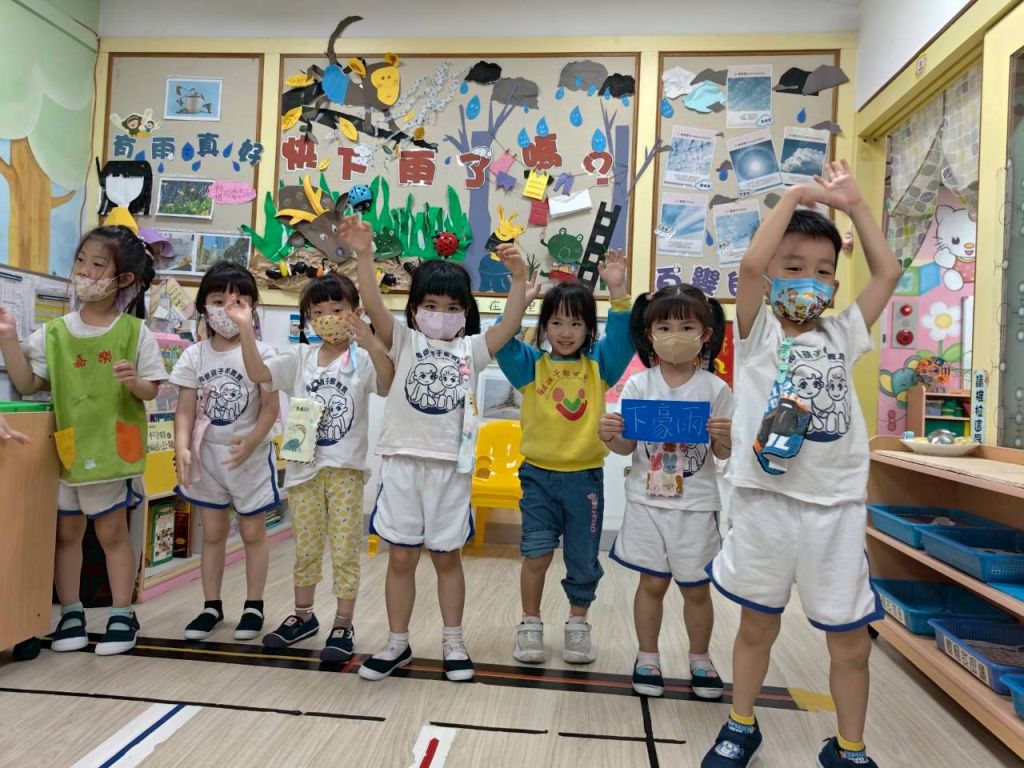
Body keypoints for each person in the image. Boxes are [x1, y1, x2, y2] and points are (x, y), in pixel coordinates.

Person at [702, 160, 900, 768]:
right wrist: (793, 194)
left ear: (835, 286)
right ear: (771, 278)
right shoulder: (757, 332)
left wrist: (856, 205)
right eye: (792, 267)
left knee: (850, 642)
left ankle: (849, 747)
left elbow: (888, 272)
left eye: (822, 270)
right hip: (763, 504)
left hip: (833, 510)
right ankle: (741, 725)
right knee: (757, 627)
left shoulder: (844, 333)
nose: (808, 280)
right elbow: (749, 267)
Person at [344, 213, 531, 683]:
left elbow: (510, 323)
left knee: (448, 558)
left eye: (452, 307)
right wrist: (364, 254)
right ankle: (397, 642)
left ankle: (453, 641)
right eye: (431, 304)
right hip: (402, 463)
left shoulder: (472, 349)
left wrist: (519, 279)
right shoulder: (403, 339)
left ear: (466, 312)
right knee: (401, 558)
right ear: (414, 310)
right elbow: (372, 302)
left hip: (451, 469)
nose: (440, 313)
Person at [0, 225, 163, 656]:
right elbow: (28, 382)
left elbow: (152, 389)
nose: (85, 271)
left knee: (111, 531)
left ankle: (122, 614)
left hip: (111, 449)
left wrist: (134, 381)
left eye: (97, 264)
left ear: (123, 279)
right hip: (67, 449)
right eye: (80, 261)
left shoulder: (134, 332)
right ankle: (70, 611)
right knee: (67, 532)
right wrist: (8, 337)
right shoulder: (55, 333)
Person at [227, 273, 393, 661]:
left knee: (345, 550)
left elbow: (386, 384)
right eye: (318, 312)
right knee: (306, 548)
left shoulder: (362, 360)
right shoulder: (299, 359)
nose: (328, 317)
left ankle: (343, 623)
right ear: (308, 319)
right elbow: (258, 374)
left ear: (355, 312)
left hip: (345, 471)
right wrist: (246, 328)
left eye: (337, 309)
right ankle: (303, 616)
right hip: (304, 471)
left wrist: (371, 342)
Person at [494, 253, 633, 665]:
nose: (566, 332)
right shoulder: (530, 366)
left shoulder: (599, 366)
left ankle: (577, 623)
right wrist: (518, 299)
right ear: (544, 326)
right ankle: (530, 623)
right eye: (556, 323)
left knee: (583, 559)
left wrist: (617, 288)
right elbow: (500, 340)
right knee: (535, 553)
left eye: (576, 323)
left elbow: (624, 336)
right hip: (538, 477)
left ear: (589, 328)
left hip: (584, 479)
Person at [601, 283, 732, 699]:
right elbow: (625, 446)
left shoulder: (716, 390)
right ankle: (647, 657)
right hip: (647, 502)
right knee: (652, 584)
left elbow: (723, 453)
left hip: (695, 505)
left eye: (687, 327)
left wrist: (726, 436)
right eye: (665, 327)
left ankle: (700, 659)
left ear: (705, 334)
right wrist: (609, 434)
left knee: (696, 588)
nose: (675, 335)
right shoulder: (639, 386)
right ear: (650, 334)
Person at [170, 262, 280, 643]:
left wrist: (252, 441)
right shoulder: (194, 355)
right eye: (219, 301)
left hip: (249, 457)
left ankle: (254, 605)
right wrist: (182, 445)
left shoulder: (264, 353)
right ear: (204, 305)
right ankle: (211, 606)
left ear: (253, 307)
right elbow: (184, 409)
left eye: (239, 302)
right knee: (213, 531)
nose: (228, 310)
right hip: (208, 457)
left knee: (252, 531)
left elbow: (270, 409)